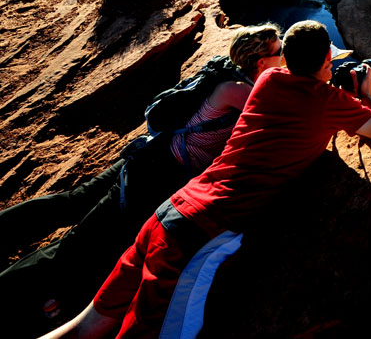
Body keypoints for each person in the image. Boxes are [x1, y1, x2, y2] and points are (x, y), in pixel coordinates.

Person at [43, 20, 371, 339]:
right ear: (327, 59)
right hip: (201, 234)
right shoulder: (326, 100)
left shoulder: (267, 79)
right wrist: (366, 97)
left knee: (90, 322)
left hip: (168, 213)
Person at [1, 24, 283, 338]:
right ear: (261, 62)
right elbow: (273, 125)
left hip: (147, 154)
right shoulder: (242, 91)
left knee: (74, 204)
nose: (284, 55)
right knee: (77, 246)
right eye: (280, 51)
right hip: (153, 177)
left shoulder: (223, 72)